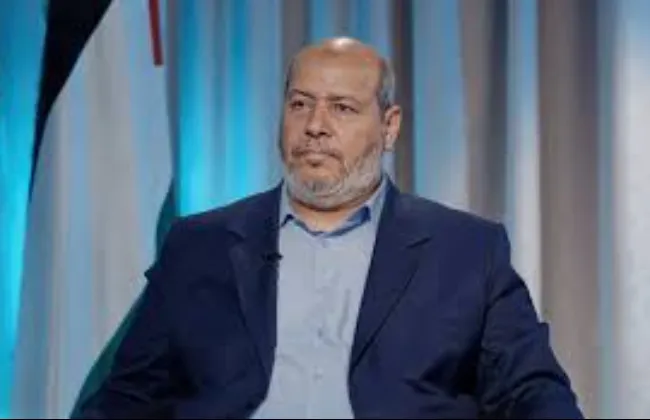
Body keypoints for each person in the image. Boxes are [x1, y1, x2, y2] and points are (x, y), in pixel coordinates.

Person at [75, 37, 583, 419]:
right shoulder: (199, 245)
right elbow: (128, 397)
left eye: (342, 108)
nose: (315, 126)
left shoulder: (467, 251)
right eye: (300, 104)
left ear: (389, 126)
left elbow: (532, 391)